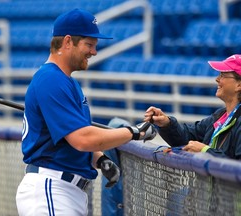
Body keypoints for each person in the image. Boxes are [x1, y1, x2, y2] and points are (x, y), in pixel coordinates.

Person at [15, 8, 157, 216]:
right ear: (67, 42)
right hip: (51, 188)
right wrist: (134, 132)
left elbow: (74, 138)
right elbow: (82, 139)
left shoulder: (66, 81)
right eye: (89, 45)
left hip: (65, 190)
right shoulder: (51, 80)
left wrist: (100, 159)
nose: (94, 52)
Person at [145, 54, 241, 159]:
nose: (217, 79)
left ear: (239, 85)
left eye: (223, 75)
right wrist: (166, 124)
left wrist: (205, 151)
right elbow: (188, 138)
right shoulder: (220, 116)